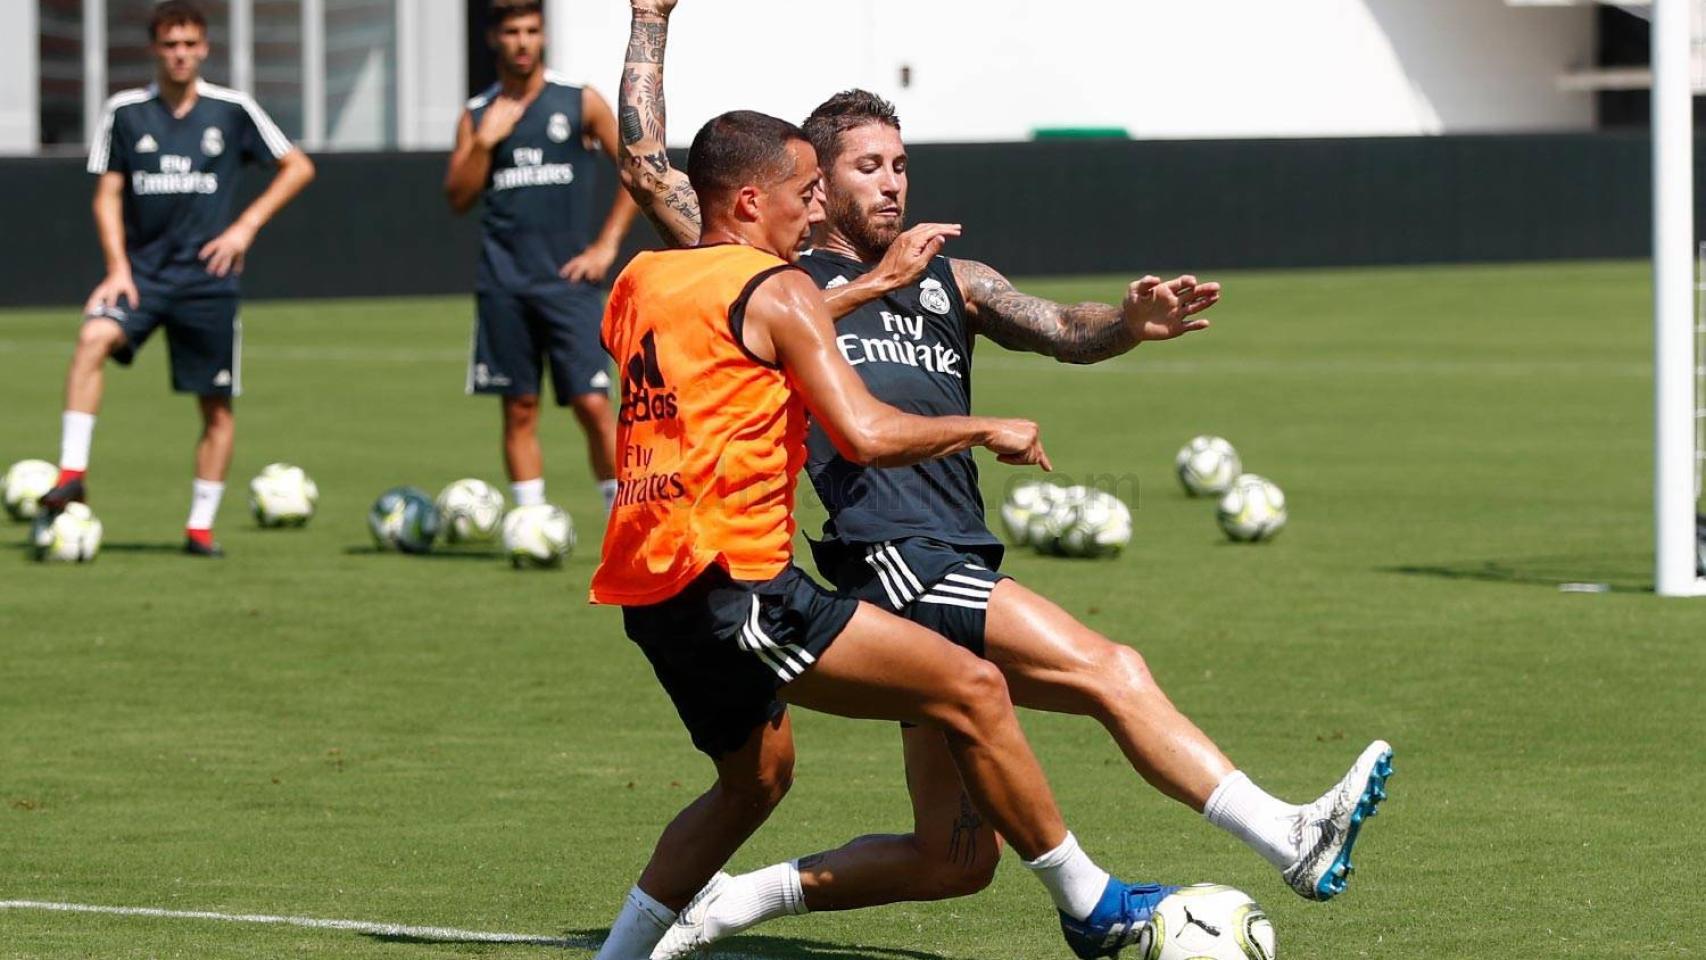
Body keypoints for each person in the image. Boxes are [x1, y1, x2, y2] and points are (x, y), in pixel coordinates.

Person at [616, 5, 1395, 958]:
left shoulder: (955, 279)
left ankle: (733, 902)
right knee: (1110, 669)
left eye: (901, 165)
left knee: (953, 859)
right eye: (866, 167)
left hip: (956, 553)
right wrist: (648, 20)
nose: (892, 184)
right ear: (811, 189)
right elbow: (648, 160)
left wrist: (1127, 322)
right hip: (894, 561)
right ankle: (1288, 838)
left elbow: (1062, 330)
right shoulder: (763, 269)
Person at [588, 108, 1179, 960]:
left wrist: (650, 18)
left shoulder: (645, 280)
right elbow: (864, 432)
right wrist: (983, 429)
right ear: (752, 201)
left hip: (651, 591)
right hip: (741, 585)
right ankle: (1092, 904)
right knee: (975, 688)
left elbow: (745, 321)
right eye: (804, 193)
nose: (814, 209)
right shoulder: (785, 285)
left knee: (755, 785)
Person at [40, 0, 315, 556]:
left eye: (190, 44)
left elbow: (298, 166)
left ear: (205, 48)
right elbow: (107, 195)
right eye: (171, 45)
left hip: (207, 280)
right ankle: (72, 473)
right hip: (141, 276)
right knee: (93, 337)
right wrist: (117, 267)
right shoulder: (125, 111)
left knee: (214, 407)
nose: (181, 55)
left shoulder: (232, 109)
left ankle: (199, 528)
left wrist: (244, 228)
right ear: (154, 50)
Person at [444, 0, 640, 514]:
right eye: (512, 32)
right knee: (520, 408)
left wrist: (606, 246)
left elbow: (637, 171)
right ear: (494, 40)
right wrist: (485, 143)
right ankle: (531, 520)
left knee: (594, 405)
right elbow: (457, 197)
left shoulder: (578, 101)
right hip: (504, 283)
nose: (523, 41)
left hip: (569, 286)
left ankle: (621, 519)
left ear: (543, 37)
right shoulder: (477, 113)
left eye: (532, 30)